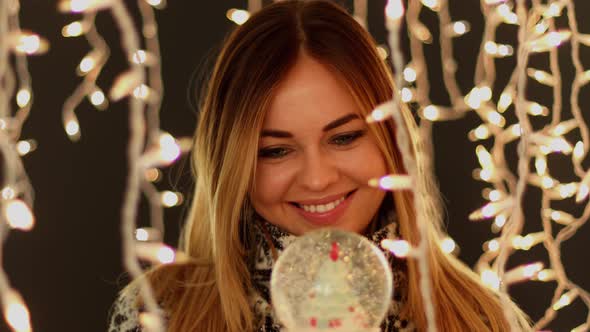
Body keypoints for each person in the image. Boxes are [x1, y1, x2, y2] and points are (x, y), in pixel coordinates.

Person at [108, 1, 531, 331]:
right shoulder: (159, 315)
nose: (317, 178)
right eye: (276, 150)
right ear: (233, 163)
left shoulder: (482, 320)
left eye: (344, 138)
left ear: (391, 140)